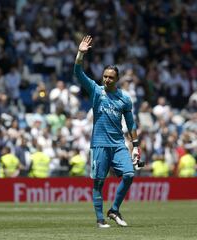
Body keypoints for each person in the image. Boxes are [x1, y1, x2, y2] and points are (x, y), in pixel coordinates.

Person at [74, 36, 142, 228]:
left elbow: (131, 124)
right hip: (99, 143)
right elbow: (78, 72)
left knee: (129, 175)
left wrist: (136, 146)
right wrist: (80, 53)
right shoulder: (96, 90)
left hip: (118, 144)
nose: (107, 79)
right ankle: (100, 220)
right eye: (105, 76)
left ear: (117, 79)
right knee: (98, 183)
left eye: (111, 77)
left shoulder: (124, 99)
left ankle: (114, 209)